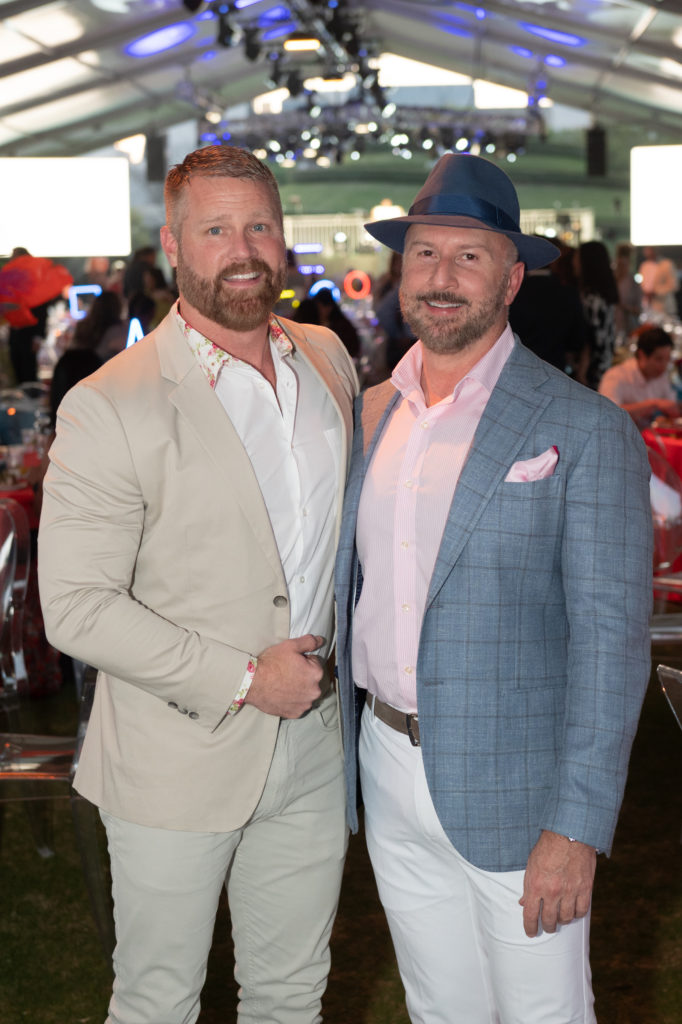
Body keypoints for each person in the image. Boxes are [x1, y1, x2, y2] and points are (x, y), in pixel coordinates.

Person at [38, 145, 358, 1024]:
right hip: (174, 756)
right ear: (175, 245)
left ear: (284, 238)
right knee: (158, 1001)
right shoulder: (113, 401)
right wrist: (248, 679)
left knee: (292, 995)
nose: (243, 247)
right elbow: (74, 604)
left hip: (314, 749)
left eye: (259, 224)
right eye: (216, 229)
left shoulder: (328, 361)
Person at [334, 153, 652, 1024]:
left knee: (545, 1013)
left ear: (513, 278)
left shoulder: (584, 427)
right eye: (425, 253)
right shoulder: (369, 414)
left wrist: (578, 826)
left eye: (469, 256)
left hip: (522, 792)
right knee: (440, 1010)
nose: (442, 277)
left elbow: (611, 642)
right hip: (386, 768)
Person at [599, 325, 678, 428]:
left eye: (667, 359)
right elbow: (607, 413)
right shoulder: (616, 376)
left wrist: (663, 416)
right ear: (641, 355)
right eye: (658, 359)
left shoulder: (661, 376)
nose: (664, 366)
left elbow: (671, 407)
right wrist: (653, 404)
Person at [576, 240, 619, 389]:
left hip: (593, 369)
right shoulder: (604, 295)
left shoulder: (591, 298)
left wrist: (582, 369)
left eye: (577, 257)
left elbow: (591, 338)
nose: (574, 262)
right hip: (605, 362)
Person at [639, 245, 678, 316]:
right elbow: (643, 285)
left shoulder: (667, 264)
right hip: (648, 307)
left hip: (665, 308)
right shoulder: (644, 266)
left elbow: (674, 285)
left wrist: (655, 292)